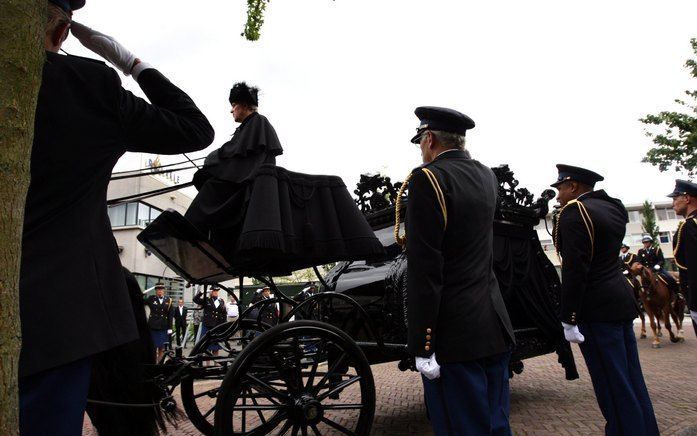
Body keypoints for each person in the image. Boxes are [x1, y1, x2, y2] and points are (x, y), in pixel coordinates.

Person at [18, 1, 214, 434]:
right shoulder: (87, 85)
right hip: (58, 314)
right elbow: (196, 129)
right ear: (61, 31)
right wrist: (130, 63)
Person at [403, 107, 515, 435]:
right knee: (496, 424)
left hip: (454, 334)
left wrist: (422, 343)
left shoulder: (427, 179)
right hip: (493, 322)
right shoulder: (485, 175)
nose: (421, 151)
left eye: (420, 143)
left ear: (430, 139)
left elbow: (426, 269)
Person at [551, 164, 658, 436]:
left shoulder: (575, 211)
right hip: (620, 300)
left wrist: (569, 316)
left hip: (595, 308)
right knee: (631, 379)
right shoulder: (613, 207)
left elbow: (576, 268)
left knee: (612, 384)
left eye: (561, 188)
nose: (558, 195)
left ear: (573, 186)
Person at [185, 82, 283, 253]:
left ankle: (190, 232)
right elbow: (236, 152)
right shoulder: (249, 126)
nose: (231, 110)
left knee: (211, 189)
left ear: (244, 105)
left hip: (246, 183)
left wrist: (214, 159)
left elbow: (238, 155)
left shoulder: (258, 122)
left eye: (234, 105)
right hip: (242, 179)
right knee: (209, 183)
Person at [669, 179, 697, 335]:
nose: (673, 203)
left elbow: (693, 267)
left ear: (687, 198)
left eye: (675, 198)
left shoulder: (689, 226)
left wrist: (694, 304)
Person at [193, 286, 229, 355]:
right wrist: (202, 292)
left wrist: (224, 325)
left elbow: (224, 313)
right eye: (214, 291)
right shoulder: (207, 300)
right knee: (207, 347)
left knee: (216, 348)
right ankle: (207, 364)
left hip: (217, 326)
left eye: (217, 291)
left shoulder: (221, 300)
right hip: (208, 326)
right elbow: (195, 299)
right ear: (211, 292)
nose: (216, 292)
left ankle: (216, 363)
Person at [144, 284, 174, 362]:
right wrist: (142, 294)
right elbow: (141, 302)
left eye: (161, 289)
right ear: (156, 291)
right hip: (153, 326)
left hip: (163, 326)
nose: (159, 291)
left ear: (164, 290)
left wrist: (170, 328)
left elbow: (170, 315)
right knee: (153, 348)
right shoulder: (151, 298)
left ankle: (159, 364)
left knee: (162, 347)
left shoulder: (169, 300)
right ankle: (153, 363)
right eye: (158, 289)